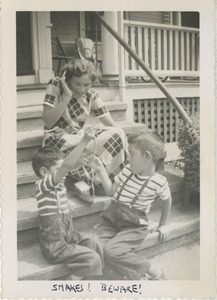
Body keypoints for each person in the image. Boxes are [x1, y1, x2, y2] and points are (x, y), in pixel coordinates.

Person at [93, 129, 172, 280]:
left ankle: (149, 268)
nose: (128, 158)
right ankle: (130, 277)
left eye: (132, 154)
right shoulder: (127, 171)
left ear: (147, 157)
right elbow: (110, 191)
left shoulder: (158, 181)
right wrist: (100, 170)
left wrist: (163, 225)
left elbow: (167, 200)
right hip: (111, 219)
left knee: (112, 251)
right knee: (96, 246)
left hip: (134, 226)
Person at [32, 127, 103, 280]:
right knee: (92, 258)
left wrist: (80, 161)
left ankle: (102, 280)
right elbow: (66, 167)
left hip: (68, 237)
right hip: (55, 246)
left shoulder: (58, 184)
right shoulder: (42, 185)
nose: (63, 174)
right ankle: (71, 286)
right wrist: (84, 140)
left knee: (93, 243)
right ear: (44, 172)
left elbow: (67, 166)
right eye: (58, 170)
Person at [42, 59, 127, 186]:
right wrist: (66, 97)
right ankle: (94, 181)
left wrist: (126, 143)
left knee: (118, 133)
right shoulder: (55, 85)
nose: (82, 89)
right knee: (93, 139)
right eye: (78, 84)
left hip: (79, 140)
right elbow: (48, 122)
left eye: (87, 85)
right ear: (68, 80)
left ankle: (105, 180)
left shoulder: (91, 95)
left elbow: (110, 123)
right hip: (57, 141)